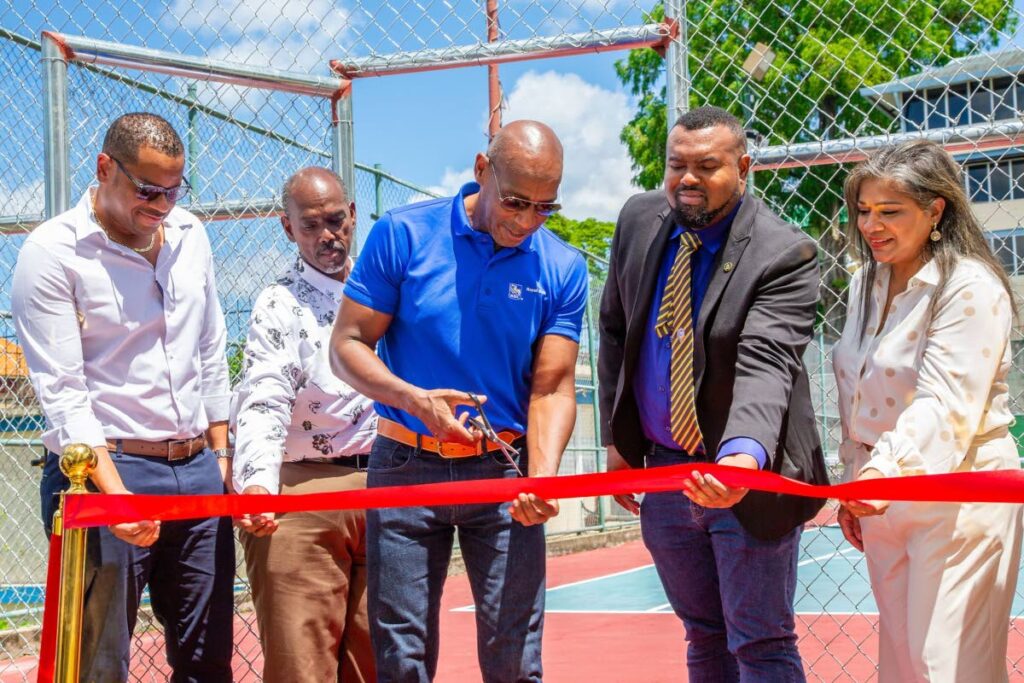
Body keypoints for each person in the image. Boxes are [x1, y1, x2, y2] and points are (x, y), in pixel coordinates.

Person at [330, 120, 588, 683]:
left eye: (545, 208)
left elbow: (552, 385)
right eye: (516, 201)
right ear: (480, 170)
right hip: (404, 467)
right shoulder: (402, 234)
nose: (525, 221)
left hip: (505, 470)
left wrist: (541, 477)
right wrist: (414, 400)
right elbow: (347, 345)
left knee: (515, 655)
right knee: (401, 658)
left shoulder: (563, 267)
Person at [598, 105, 830, 681]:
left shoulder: (784, 253)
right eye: (677, 165)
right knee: (703, 637)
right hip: (666, 473)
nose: (688, 179)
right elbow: (614, 327)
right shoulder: (637, 219)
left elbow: (766, 363)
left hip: (748, 477)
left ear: (744, 167)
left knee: (761, 642)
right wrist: (617, 437)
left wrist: (740, 460)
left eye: (708, 166)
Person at [11, 112, 234, 681]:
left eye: (175, 189)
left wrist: (222, 456)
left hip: (198, 468)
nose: (162, 205)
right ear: (104, 168)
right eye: (148, 189)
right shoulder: (52, 252)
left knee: (207, 658)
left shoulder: (190, 235)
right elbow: (64, 391)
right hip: (107, 470)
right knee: (97, 662)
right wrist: (116, 497)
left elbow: (210, 346)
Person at [833, 139, 1023, 682]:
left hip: (960, 492)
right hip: (884, 494)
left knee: (947, 666)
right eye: (864, 211)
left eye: (890, 212)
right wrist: (855, 479)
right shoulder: (864, 281)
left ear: (935, 210)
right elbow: (855, 389)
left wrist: (880, 474)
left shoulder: (969, 286)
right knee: (901, 664)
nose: (872, 225)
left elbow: (946, 402)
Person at [231, 167, 376, 682]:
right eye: (310, 226)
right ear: (287, 228)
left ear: (353, 216)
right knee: (301, 667)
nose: (326, 236)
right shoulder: (278, 302)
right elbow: (265, 395)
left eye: (335, 220)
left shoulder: (380, 290)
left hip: (385, 489)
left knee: (379, 661)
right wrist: (257, 485)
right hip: (302, 492)